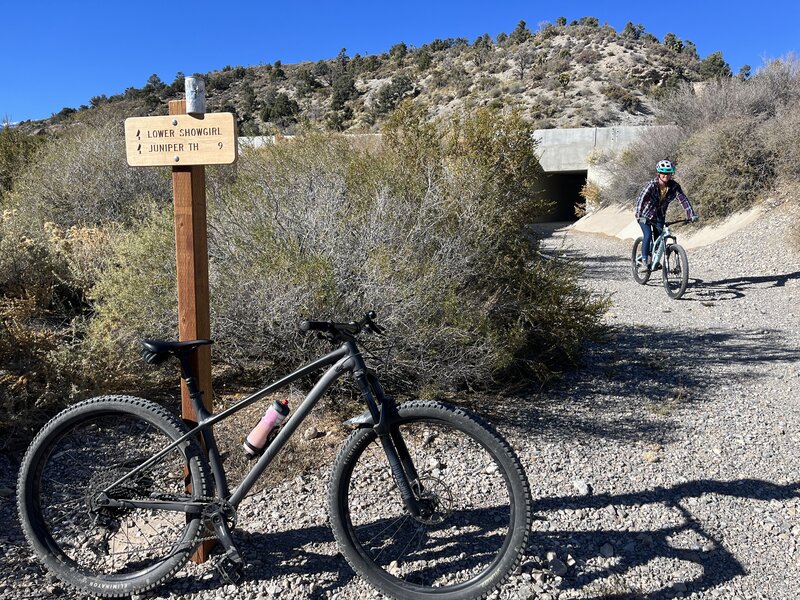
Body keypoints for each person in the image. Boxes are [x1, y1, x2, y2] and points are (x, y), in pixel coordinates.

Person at [634, 160, 698, 272]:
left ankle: (655, 260)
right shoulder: (651, 185)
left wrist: (691, 214)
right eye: (663, 172)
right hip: (645, 216)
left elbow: (683, 200)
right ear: (658, 173)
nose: (666, 175)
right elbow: (641, 200)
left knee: (659, 239)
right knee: (648, 236)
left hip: (660, 215)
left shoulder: (674, 186)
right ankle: (644, 261)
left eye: (668, 173)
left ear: (671, 174)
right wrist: (639, 215)